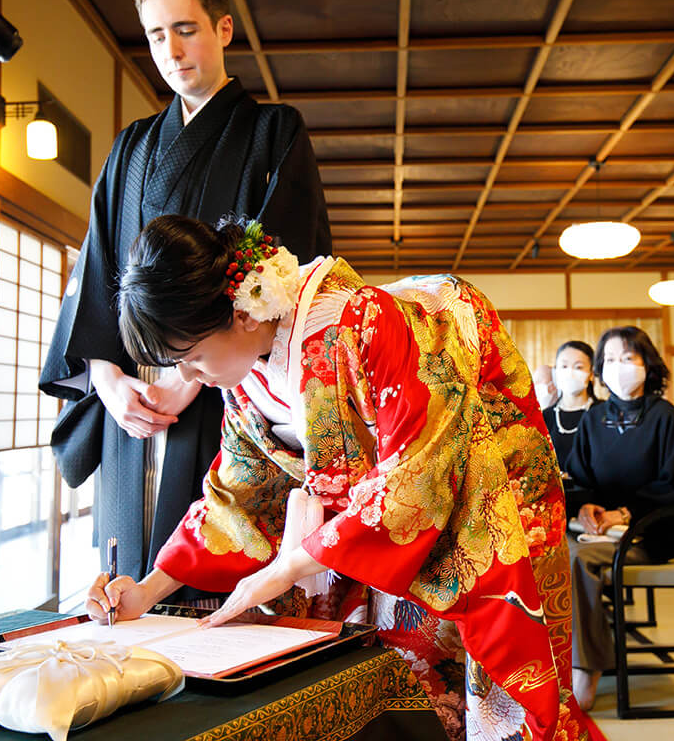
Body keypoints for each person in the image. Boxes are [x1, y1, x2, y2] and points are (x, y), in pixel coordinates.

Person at [84, 216, 594, 741]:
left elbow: (416, 476)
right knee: (389, 683)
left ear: (240, 312)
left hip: (483, 507)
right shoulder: (243, 376)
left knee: (488, 696)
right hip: (374, 532)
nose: (187, 379)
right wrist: (146, 591)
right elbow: (236, 496)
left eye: (189, 359)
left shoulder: (361, 321)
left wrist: (287, 568)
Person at [38, 0, 331, 590]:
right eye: (155, 35)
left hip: (224, 394)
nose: (171, 50)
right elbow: (95, 274)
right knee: (125, 578)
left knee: (218, 564)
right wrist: (109, 380)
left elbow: (282, 269)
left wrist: (190, 377)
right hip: (131, 404)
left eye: (186, 29)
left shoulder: (271, 131)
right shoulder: (131, 147)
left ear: (223, 28)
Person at [561, 326, 674, 711]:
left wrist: (624, 513)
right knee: (551, 551)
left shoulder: (667, 417)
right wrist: (585, 507)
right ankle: (562, 656)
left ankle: (585, 668)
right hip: (604, 533)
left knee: (579, 560)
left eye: (628, 359)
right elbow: (580, 479)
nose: (618, 368)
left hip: (652, 533)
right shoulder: (593, 420)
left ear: (647, 364)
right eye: (609, 360)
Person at [542, 341, 597, 472]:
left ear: (591, 373)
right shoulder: (545, 417)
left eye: (578, 367)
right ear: (556, 371)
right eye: (564, 366)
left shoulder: (603, 413)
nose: (570, 372)